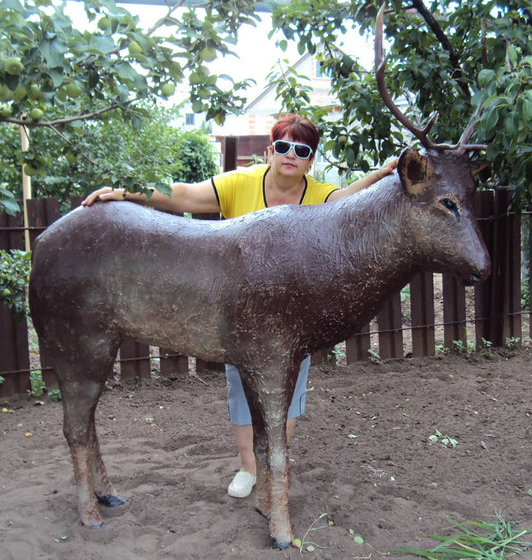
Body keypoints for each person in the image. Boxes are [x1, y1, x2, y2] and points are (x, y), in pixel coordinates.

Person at [83, 114, 398, 498]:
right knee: (241, 390)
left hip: (292, 314)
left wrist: (382, 175)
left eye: (302, 150)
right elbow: (183, 195)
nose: (290, 155)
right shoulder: (240, 184)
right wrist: (126, 192)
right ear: (269, 151)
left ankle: (272, 465)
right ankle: (249, 468)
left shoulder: (318, 194)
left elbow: (351, 201)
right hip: (244, 313)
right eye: (283, 146)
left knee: (290, 390)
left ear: (311, 160)